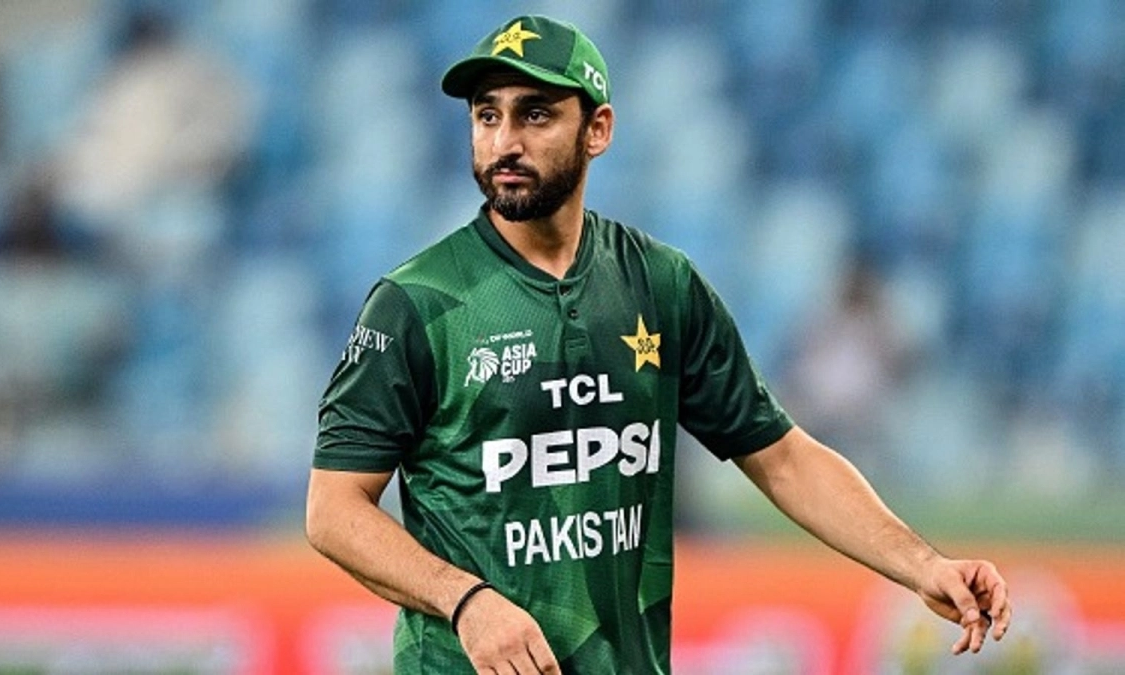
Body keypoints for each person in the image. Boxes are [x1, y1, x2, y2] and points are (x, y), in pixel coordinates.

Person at [305, 15, 1011, 674]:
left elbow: (784, 457)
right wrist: (466, 601)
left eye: (536, 114)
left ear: (598, 129)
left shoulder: (660, 284)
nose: (504, 141)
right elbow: (333, 510)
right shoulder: (418, 303)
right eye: (487, 115)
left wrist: (924, 565)